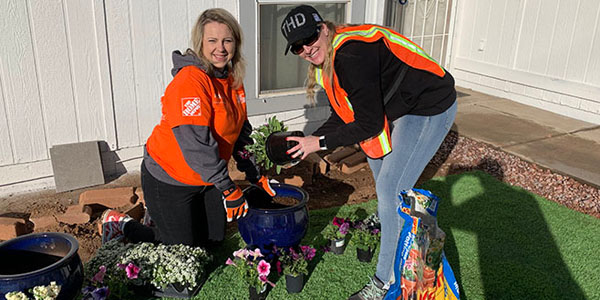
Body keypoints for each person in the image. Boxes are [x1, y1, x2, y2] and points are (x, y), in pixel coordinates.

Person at [280, 5, 457, 300]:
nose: (307, 49)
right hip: (399, 106)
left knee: (392, 188)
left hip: (429, 105)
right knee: (387, 189)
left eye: (310, 39)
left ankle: (383, 282)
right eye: (298, 47)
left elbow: (368, 122)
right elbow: (344, 113)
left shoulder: (350, 55)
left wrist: (319, 143)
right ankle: (420, 241)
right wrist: (313, 138)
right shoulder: (328, 60)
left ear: (324, 29)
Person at [100, 8, 275, 248]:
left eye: (227, 40)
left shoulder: (233, 79)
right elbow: (196, 146)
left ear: (236, 43)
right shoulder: (190, 81)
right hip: (170, 177)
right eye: (212, 41)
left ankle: (164, 220)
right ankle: (122, 223)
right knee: (182, 248)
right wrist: (228, 188)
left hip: (205, 177)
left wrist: (255, 174)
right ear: (200, 44)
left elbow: (240, 134)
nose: (220, 48)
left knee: (213, 242)